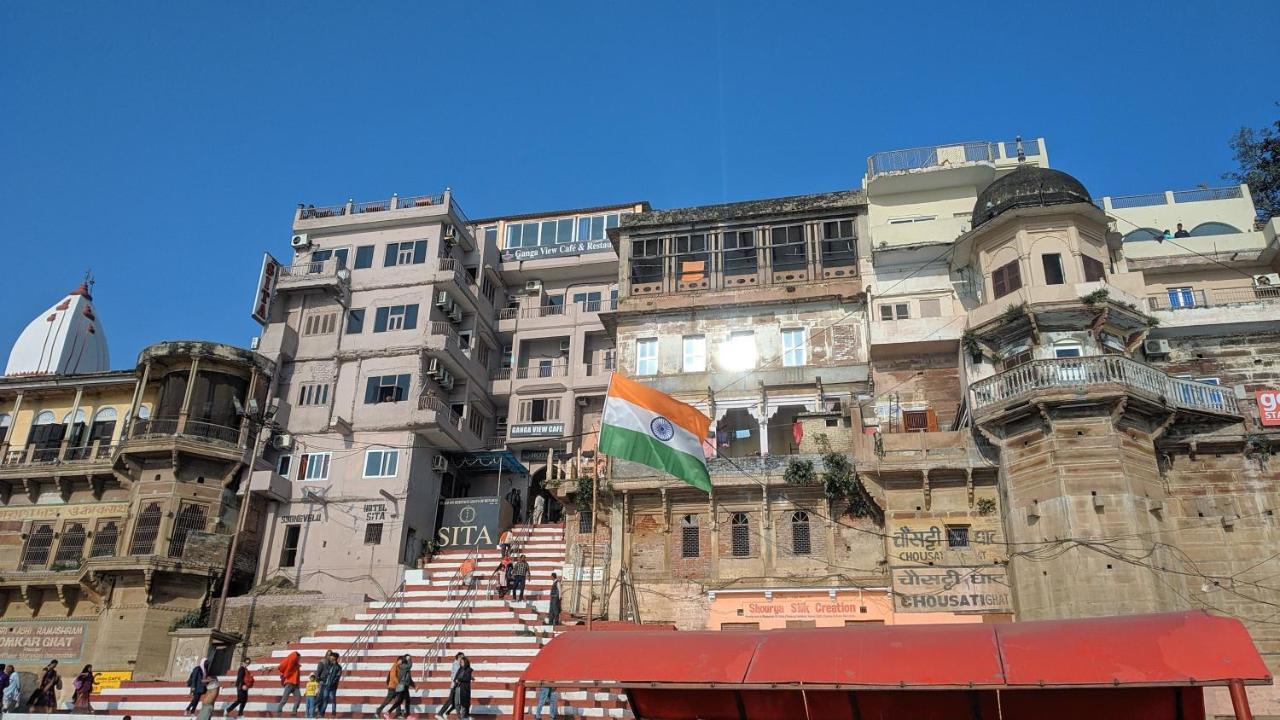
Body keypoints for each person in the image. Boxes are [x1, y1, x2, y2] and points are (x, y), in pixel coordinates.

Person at [435, 653, 464, 719]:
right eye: (462, 658)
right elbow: (456, 676)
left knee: (455, 703)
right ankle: (440, 714)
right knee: (450, 700)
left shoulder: (457, 664)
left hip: (456, 685)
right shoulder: (457, 665)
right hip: (455, 685)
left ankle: (445, 713)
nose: (463, 659)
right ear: (459, 657)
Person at [276, 650, 303, 715]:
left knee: (298, 698)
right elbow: (292, 656)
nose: (299, 659)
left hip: (295, 685)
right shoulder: (291, 664)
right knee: (285, 699)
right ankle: (279, 711)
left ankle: (294, 711)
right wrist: (296, 654)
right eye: (298, 658)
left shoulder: (297, 666)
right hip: (289, 683)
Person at [316, 650, 342, 718]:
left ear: (335, 658)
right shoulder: (329, 665)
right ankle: (321, 713)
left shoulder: (338, 667)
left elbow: (337, 677)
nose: (330, 659)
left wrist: (332, 684)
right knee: (325, 699)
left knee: (333, 699)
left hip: (332, 687)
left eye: (332, 657)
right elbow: (326, 674)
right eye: (330, 657)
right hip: (326, 685)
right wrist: (322, 680)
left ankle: (333, 714)